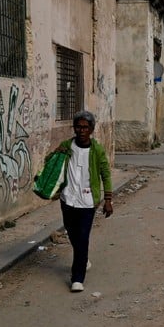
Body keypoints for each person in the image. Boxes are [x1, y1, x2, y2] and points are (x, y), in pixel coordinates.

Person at [53, 110, 113, 292]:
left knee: (83, 237)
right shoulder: (66, 145)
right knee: (72, 232)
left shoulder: (98, 151)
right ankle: (83, 258)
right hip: (68, 199)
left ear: (91, 129)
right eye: (78, 127)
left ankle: (77, 278)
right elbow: (53, 163)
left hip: (87, 202)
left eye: (85, 127)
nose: (81, 130)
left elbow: (106, 174)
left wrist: (108, 199)